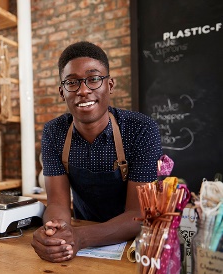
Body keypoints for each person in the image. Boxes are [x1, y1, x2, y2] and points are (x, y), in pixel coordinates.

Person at [31, 41, 162, 262]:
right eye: (72, 82)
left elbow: (138, 215)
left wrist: (80, 238)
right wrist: (55, 232)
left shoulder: (141, 129)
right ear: (62, 92)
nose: (83, 90)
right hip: (81, 242)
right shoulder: (54, 132)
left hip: (134, 246)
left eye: (93, 79)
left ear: (109, 85)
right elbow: (57, 204)